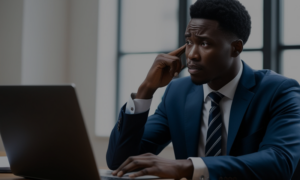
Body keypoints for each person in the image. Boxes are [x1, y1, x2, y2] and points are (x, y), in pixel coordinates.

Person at [106, 0, 300, 179]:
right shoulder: (177, 93)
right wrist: (146, 90)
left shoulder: (279, 91)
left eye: (204, 43)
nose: (191, 55)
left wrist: (187, 167)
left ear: (236, 48)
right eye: (189, 42)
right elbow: (119, 162)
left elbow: (280, 162)